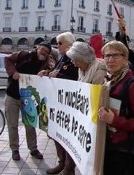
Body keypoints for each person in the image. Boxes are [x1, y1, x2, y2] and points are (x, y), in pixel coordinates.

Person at [98, 40, 134, 175]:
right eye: (107, 56)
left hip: (123, 152)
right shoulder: (107, 81)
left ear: (125, 59)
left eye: (115, 55)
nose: (110, 60)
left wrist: (114, 120)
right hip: (106, 147)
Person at [4, 41, 51, 160]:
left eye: (46, 52)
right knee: (12, 124)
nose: (44, 53)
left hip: (28, 97)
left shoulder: (45, 63)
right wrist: (13, 72)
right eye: (43, 49)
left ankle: (33, 149)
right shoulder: (24, 54)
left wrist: (45, 72)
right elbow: (7, 59)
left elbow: (51, 71)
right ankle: (15, 150)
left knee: (30, 124)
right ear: (37, 48)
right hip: (12, 95)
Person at [39, 32, 78, 175]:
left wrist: (58, 75)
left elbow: (76, 79)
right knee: (56, 134)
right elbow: (57, 72)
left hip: (69, 105)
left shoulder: (74, 58)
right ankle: (61, 163)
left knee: (67, 138)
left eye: (60, 43)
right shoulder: (63, 58)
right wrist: (47, 71)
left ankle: (68, 168)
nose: (57, 45)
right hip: (58, 103)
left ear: (69, 43)